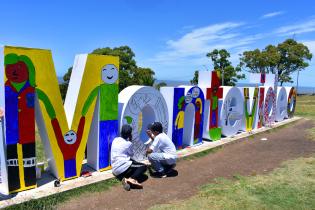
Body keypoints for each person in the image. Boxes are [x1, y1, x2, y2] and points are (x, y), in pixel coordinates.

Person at [111, 124, 147, 191]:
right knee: (143, 166)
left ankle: (124, 179)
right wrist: (130, 141)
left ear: (121, 132)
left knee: (133, 162)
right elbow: (131, 154)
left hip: (114, 169)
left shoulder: (115, 140)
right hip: (122, 166)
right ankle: (132, 179)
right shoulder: (128, 143)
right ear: (130, 134)